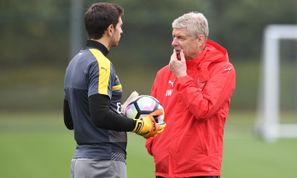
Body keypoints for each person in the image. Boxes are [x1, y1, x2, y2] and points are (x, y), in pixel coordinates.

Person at [63, 2, 165, 178]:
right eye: (120, 26)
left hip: (81, 162)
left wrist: (120, 109)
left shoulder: (75, 62)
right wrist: (139, 125)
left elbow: (70, 120)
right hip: (103, 163)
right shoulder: (101, 64)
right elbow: (100, 115)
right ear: (110, 29)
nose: (121, 31)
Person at [146, 12, 236, 178]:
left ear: (200, 40)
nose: (174, 43)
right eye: (173, 37)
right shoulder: (164, 73)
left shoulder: (223, 70)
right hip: (164, 170)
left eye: (181, 38)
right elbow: (153, 115)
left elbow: (204, 109)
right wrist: (154, 145)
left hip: (199, 170)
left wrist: (182, 77)